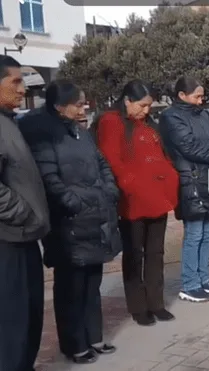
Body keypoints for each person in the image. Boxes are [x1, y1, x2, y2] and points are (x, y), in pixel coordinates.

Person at [20, 80, 121, 364]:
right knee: (71, 287)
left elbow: (101, 163)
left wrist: (109, 189)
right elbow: (50, 179)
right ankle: (74, 343)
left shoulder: (80, 132)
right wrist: (74, 202)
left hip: (95, 216)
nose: (83, 107)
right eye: (78, 103)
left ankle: (94, 335)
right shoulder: (43, 134)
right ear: (59, 106)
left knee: (92, 281)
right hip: (69, 223)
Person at [95, 80, 179, 326]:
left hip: (157, 199)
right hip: (133, 200)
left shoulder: (148, 127)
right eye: (142, 105)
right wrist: (133, 185)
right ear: (127, 101)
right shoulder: (112, 122)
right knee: (134, 255)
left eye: (149, 106)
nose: (146, 111)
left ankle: (156, 302)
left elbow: (161, 157)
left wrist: (169, 180)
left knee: (156, 253)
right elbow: (112, 161)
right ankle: (138, 306)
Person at [159, 77, 209, 303]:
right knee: (194, 234)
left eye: (202, 96)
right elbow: (188, 146)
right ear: (182, 95)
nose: (201, 101)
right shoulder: (171, 117)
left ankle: (203, 278)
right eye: (197, 96)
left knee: (208, 232)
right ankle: (190, 283)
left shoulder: (202, 114)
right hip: (190, 178)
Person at [0, 55, 50, 371]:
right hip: (8, 241)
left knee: (31, 315)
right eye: (15, 82)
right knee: (12, 322)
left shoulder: (9, 121)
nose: (23, 89)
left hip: (25, 237)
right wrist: (25, 213)